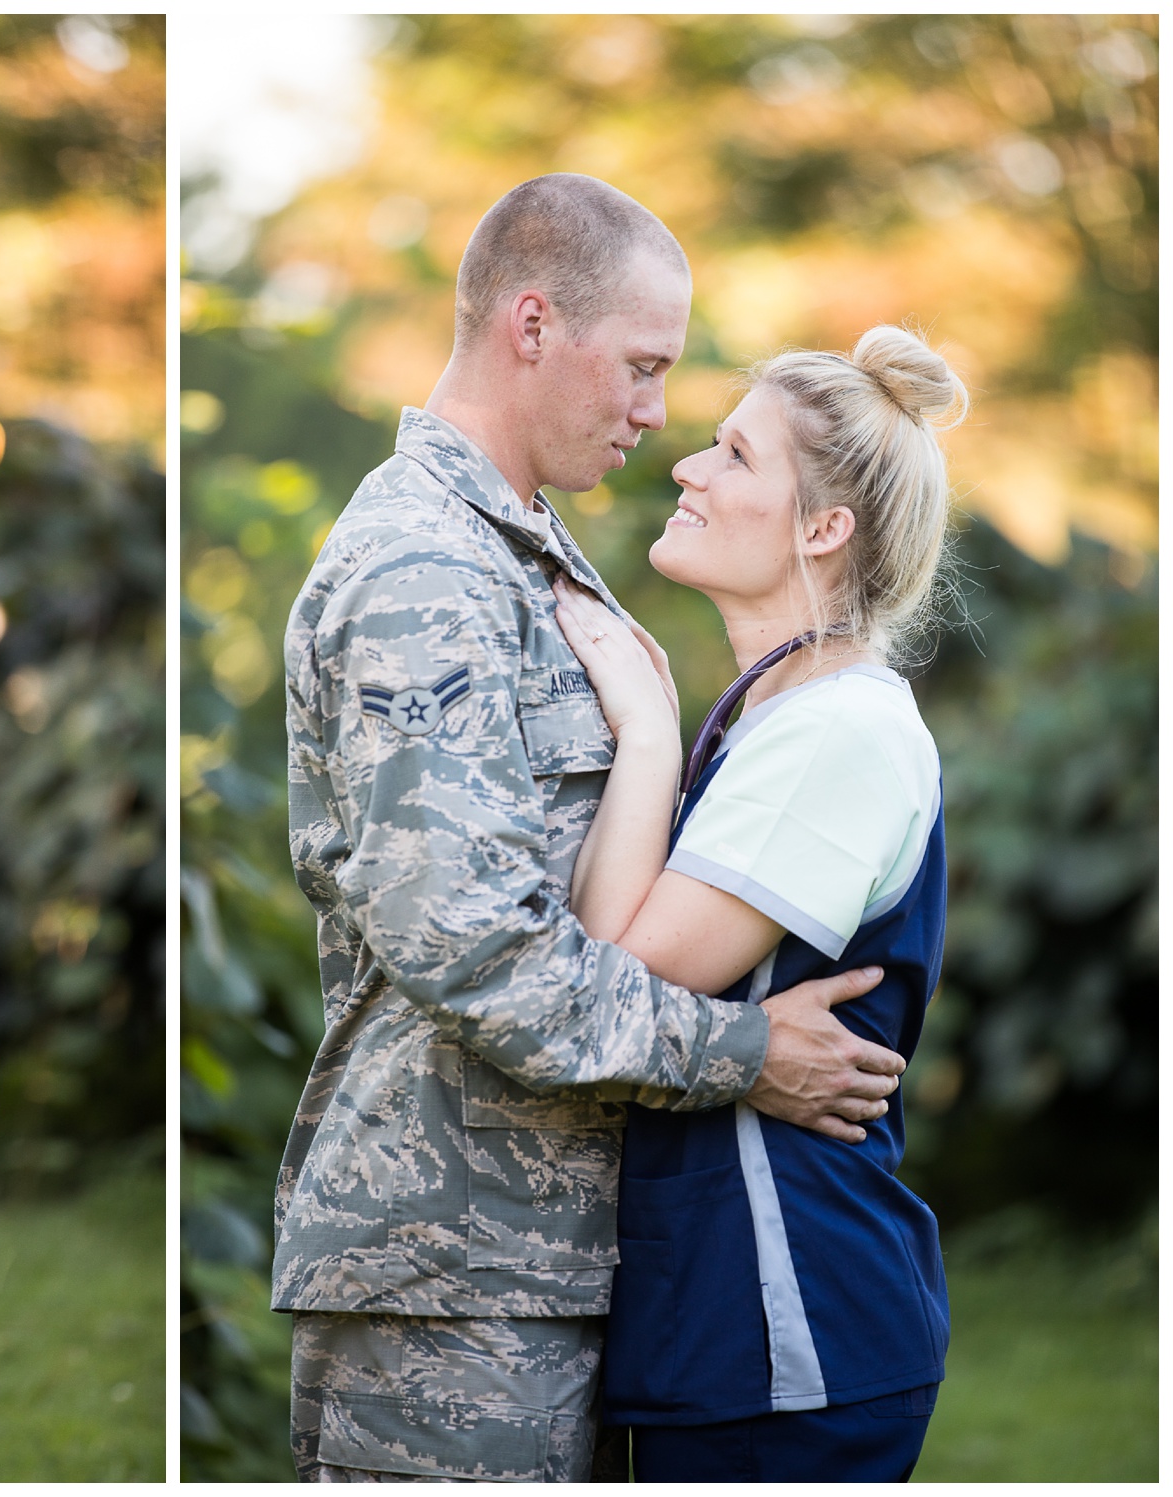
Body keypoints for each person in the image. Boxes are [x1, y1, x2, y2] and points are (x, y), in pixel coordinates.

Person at [277, 173, 909, 1483]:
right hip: (445, 1280)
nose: (655, 412)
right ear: (530, 327)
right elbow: (473, 949)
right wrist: (742, 1052)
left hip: (530, 1271)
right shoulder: (428, 575)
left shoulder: (520, 549)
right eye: (640, 366)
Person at [552, 326, 965, 1481]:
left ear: (822, 529)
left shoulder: (839, 733)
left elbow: (611, 979)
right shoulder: (786, 719)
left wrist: (641, 726)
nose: (686, 465)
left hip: (791, 1334)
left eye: (732, 455)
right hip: (721, 1330)